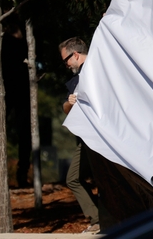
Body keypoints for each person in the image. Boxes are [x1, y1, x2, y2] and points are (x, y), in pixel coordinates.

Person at [0, 20, 32, 188]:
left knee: (24, 131)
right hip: (3, 88)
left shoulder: (24, 32)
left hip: (22, 88)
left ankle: (22, 172)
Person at [60, 37, 100, 234]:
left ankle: (101, 219)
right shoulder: (75, 81)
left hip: (103, 136)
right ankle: (98, 218)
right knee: (73, 178)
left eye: (66, 59)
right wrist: (70, 102)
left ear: (75, 54)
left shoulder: (97, 67)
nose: (66, 65)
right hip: (87, 139)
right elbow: (66, 108)